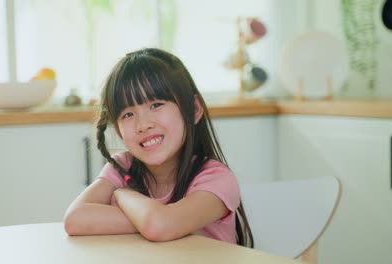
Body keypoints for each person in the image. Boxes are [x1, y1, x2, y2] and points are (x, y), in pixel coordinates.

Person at [63, 48, 253, 247]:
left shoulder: (217, 179)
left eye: (156, 105)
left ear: (194, 109)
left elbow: (159, 226)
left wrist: (123, 195)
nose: (143, 125)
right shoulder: (123, 166)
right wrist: (148, 219)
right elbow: (75, 219)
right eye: (127, 115)